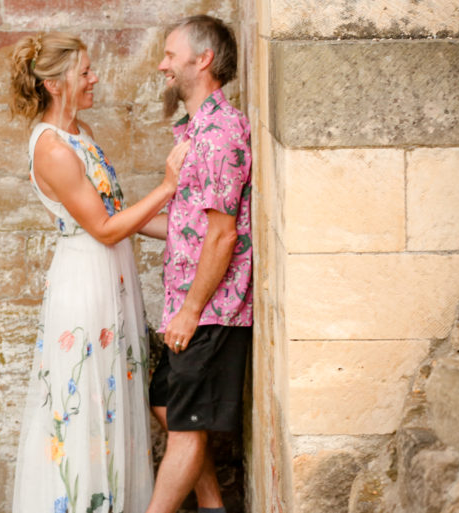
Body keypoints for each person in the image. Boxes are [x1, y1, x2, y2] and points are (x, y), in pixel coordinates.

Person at [8, 32, 190, 513]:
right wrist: (169, 185)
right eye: (84, 71)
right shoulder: (51, 148)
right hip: (85, 281)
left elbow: (120, 212)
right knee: (83, 402)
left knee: (114, 395)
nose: (94, 78)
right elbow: (106, 229)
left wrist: (185, 234)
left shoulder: (80, 133)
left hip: (112, 277)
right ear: (54, 84)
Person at [141, 15, 253, 513]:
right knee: (166, 404)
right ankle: (212, 506)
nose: (163, 64)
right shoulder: (195, 129)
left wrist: (190, 310)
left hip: (209, 311)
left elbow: (223, 233)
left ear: (201, 60)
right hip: (188, 305)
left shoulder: (219, 134)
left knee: (186, 430)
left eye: (170, 54)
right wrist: (113, 222)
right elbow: (189, 227)